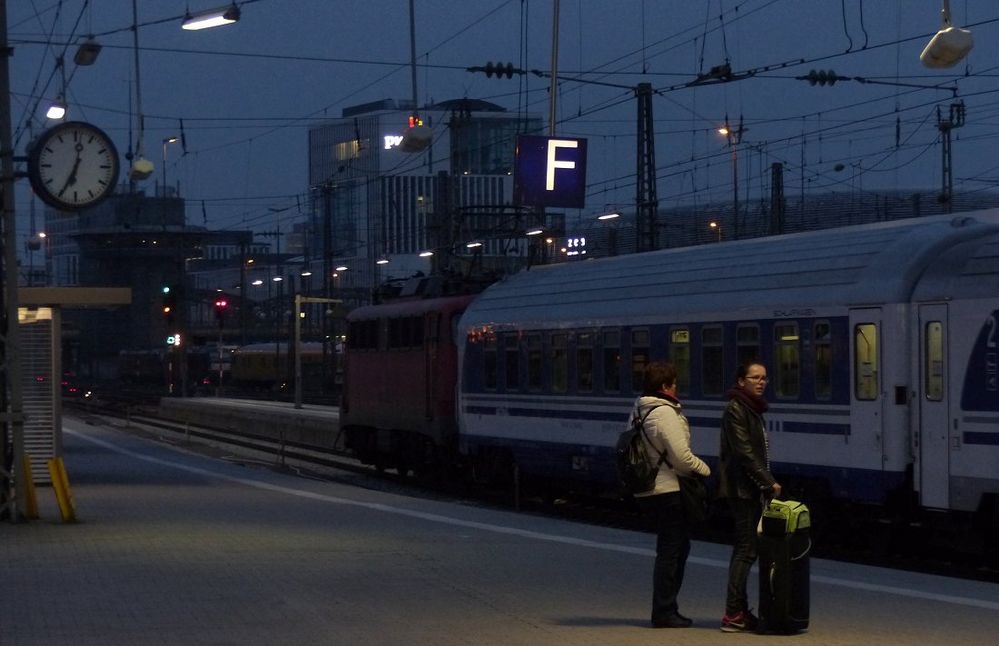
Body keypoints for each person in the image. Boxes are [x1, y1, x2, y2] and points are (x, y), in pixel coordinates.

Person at [632, 361, 711, 629]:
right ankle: (664, 610)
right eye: (674, 383)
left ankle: (666, 608)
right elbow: (682, 458)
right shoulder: (664, 413)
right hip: (670, 489)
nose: (677, 387)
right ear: (665, 386)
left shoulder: (639, 408)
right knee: (671, 551)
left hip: (655, 487)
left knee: (673, 549)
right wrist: (706, 470)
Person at [717, 360, 781, 633]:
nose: (761, 382)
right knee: (746, 550)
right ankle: (733, 613)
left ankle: (738, 611)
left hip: (749, 488)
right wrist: (769, 483)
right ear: (741, 381)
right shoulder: (736, 410)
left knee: (745, 550)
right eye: (754, 377)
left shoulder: (751, 409)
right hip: (742, 490)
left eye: (764, 377)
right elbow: (744, 453)